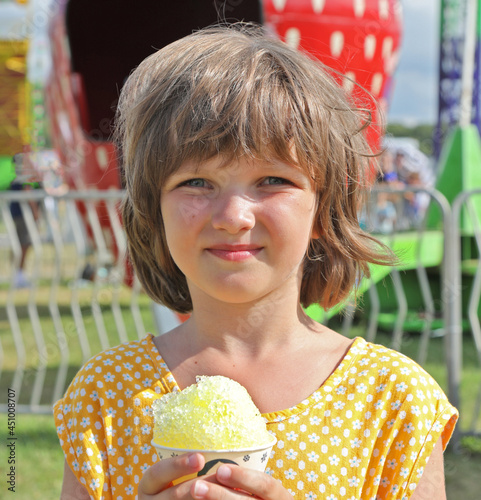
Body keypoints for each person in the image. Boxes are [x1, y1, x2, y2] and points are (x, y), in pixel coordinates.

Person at [54, 25, 458, 500]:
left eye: (271, 179)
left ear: (323, 208)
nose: (232, 217)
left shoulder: (392, 403)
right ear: (154, 208)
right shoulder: (106, 397)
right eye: (197, 182)